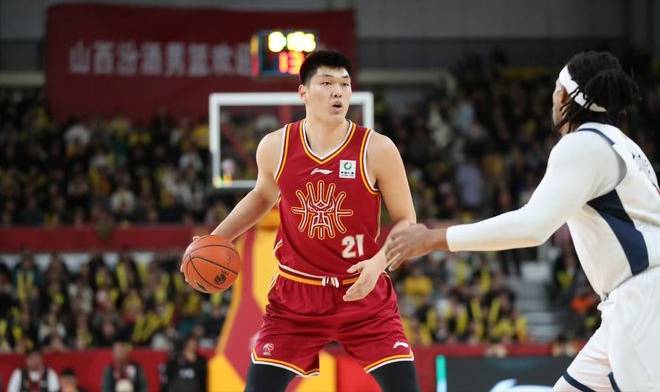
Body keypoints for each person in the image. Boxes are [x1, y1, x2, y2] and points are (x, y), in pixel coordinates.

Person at [384, 51, 660, 391]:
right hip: (632, 299)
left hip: (643, 299)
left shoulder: (583, 145)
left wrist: (435, 238)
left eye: (555, 89)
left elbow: (532, 227)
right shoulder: (624, 145)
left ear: (564, 94)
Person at [194, 50, 421, 392]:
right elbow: (262, 196)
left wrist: (378, 264)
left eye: (344, 84)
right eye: (326, 84)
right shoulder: (276, 146)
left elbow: (407, 221)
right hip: (296, 296)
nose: (338, 92)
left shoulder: (377, 149)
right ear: (303, 92)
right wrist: (215, 238)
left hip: (362, 290)